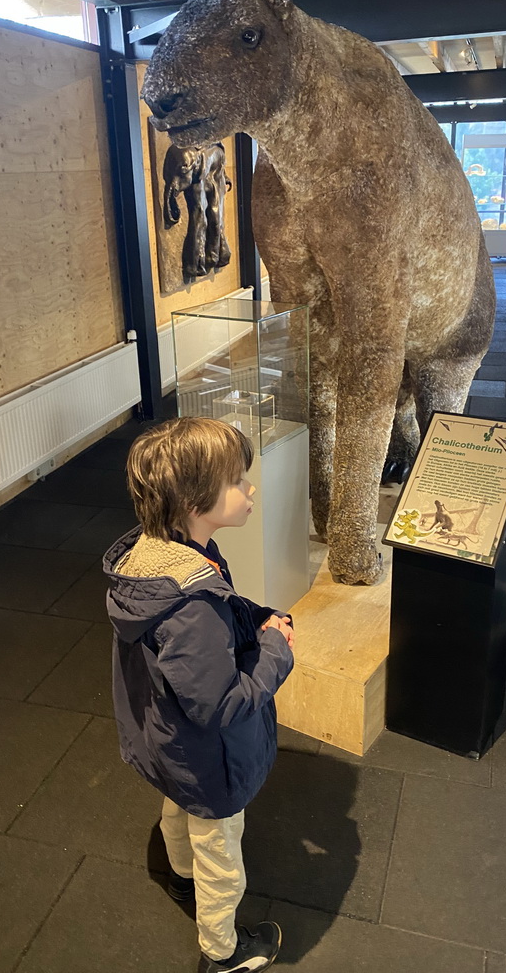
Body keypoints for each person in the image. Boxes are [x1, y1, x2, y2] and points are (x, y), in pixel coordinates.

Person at [104, 416, 295, 973]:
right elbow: (221, 703)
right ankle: (223, 951)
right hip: (206, 754)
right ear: (193, 500)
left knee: (177, 801)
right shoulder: (189, 604)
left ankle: (178, 873)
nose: (250, 489)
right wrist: (278, 650)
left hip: (167, 739)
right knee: (220, 848)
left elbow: (220, 609)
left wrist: (256, 618)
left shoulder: (163, 556)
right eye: (238, 481)